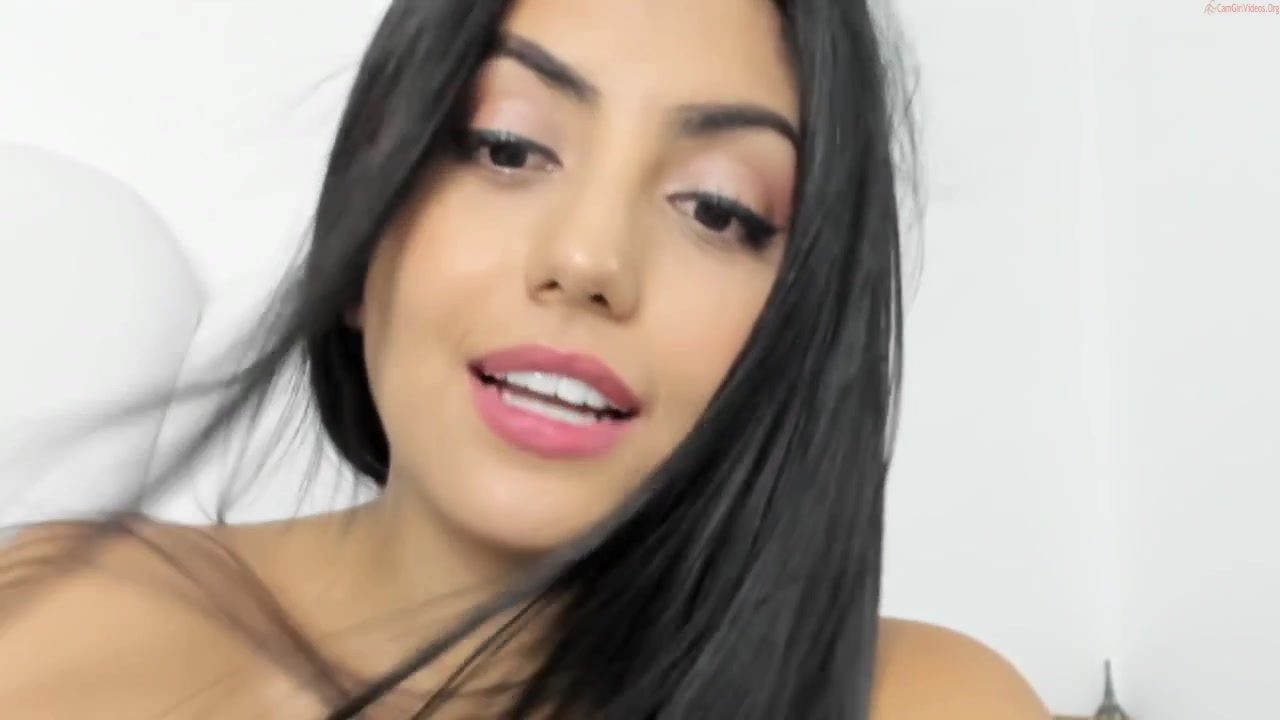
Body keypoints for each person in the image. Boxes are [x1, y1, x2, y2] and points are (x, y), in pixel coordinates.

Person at [0, 0, 1050, 717]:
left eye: (716, 209)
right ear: (364, 232)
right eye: (506, 148)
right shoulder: (61, 627)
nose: (587, 260)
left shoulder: (925, 700)